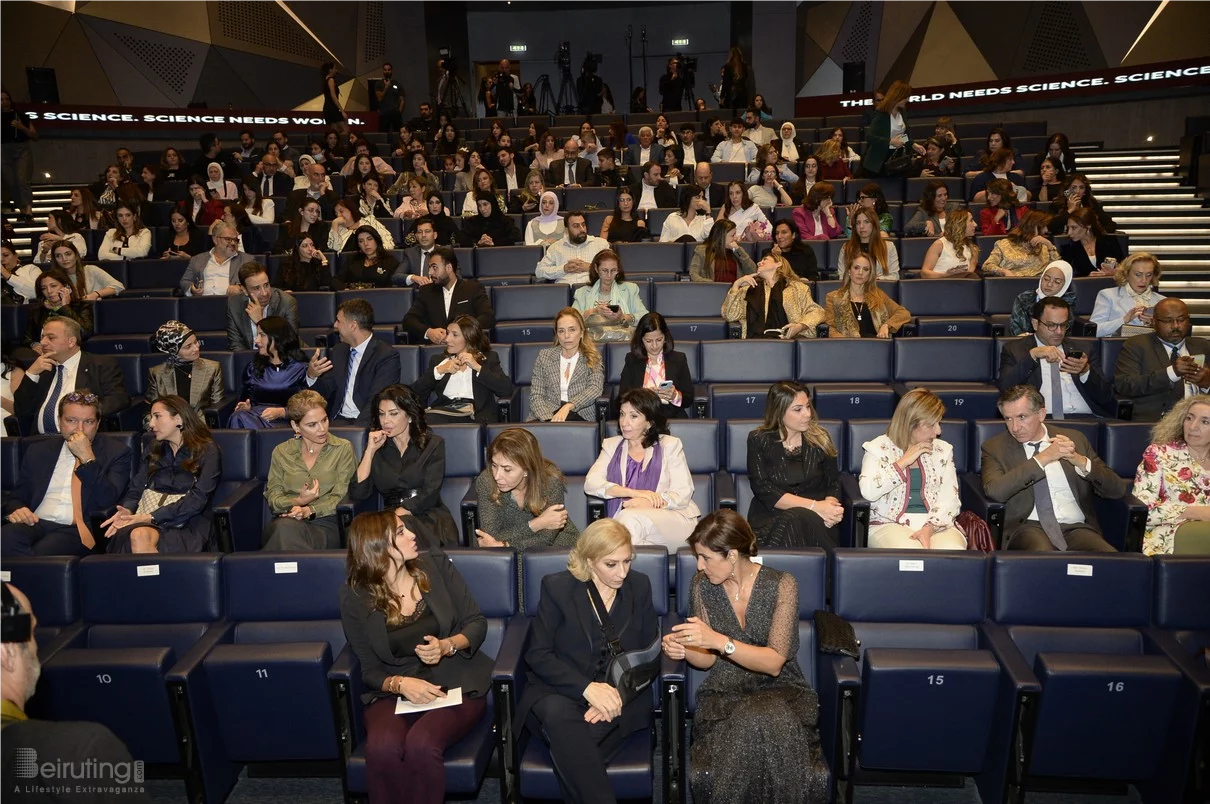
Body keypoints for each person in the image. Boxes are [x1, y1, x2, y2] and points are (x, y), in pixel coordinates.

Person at [664, 509, 829, 804]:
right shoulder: (702, 587)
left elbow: (774, 663)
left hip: (782, 691)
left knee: (763, 716)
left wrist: (719, 641)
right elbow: (707, 660)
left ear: (732, 554)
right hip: (725, 694)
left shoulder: (782, 584)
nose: (700, 566)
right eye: (698, 557)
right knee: (756, 719)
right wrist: (685, 647)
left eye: (706, 558)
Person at [338, 510, 492, 804]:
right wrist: (400, 684)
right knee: (381, 747)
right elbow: (369, 670)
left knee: (422, 744)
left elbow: (476, 622)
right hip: (395, 691)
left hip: (455, 679)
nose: (411, 535)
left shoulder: (433, 564)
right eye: (400, 533)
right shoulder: (353, 596)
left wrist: (447, 645)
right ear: (377, 546)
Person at [515, 517, 656, 802]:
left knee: (571, 748)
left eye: (627, 561)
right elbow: (538, 654)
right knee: (561, 720)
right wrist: (587, 688)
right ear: (590, 561)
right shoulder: (557, 588)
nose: (622, 573)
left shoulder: (639, 586)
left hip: (619, 696)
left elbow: (649, 655)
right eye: (611, 564)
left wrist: (616, 696)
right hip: (560, 691)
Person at [982, 385, 1128, 551]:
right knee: (1045, 560)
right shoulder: (995, 447)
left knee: (1110, 561)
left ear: (1041, 414)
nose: (1015, 427)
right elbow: (995, 491)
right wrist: (1043, 458)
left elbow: (1117, 489)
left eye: (1022, 417)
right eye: (1008, 419)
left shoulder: (1075, 439)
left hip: (1076, 527)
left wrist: (1080, 461)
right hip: (1028, 527)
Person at [0, 392, 131, 557]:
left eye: (88, 422)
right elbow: (17, 497)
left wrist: (87, 459)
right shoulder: (38, 451)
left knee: (41, 553)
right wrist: (19, 510)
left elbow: (107, 499)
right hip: (35, 522)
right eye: (71, 420)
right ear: (59, 422)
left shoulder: (117, 452)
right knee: (6, 537)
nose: (80, 429)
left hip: (77, 528)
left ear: (97, 425)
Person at [102, 396, 220, 554]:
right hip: (148, 518)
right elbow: (136, 488)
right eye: (151, 418)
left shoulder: (208, 450)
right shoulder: (153, 448)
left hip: (188, 522)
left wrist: (151, 517)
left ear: (178, 419)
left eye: (157, 416)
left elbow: (198, 500)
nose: (151, 424)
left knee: (139, 535)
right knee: (135, 535)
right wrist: (128, 511)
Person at [585, 387, 700, 548]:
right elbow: (591, 483)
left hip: (671, 520)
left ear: (649, 422)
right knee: (628, 527)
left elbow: (683, 493)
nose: (624, 422)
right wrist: (635, 493)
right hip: (627, 523)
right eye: (622, 414)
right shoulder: (611, 446)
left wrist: (649, 502)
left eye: (633, 416)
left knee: (626, 523)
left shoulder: (670, 445)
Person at [858, 389, 967, 550]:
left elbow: (950, 498)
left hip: (936, 524)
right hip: (888, 523)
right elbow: (868, 491)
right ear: (910, 424)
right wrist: (902, 463)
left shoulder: (943, 450)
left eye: (939, 422)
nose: (938, 431)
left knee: (953, 551)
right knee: (911, 556)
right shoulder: (878, 448)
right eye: (931, 424)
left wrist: (929, 529)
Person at [350, 385, 459, 545]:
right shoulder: (379, 447)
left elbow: (430, 492)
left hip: (427, 517)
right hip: (391, 517)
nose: (386, 421)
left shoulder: (432, 444)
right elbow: (358, 493)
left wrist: (399, 514)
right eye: (382, 414)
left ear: (409, 416)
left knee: (399, 531)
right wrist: (370, 451)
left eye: (393, 414)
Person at [746, 382, 842, 549]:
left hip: (818, 521)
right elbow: (763, 489)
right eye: (798, 409)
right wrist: (814, 506)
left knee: (799, 519)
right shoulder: (759, 439)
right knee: (795, 517)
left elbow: (833, 482)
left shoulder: (821, 438)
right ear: (779, 412)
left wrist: (830, 509)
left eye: (807, 406)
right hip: (770, 519)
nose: (807, 414)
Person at [261, 390, 356, 550]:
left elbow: (340, 496)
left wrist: (308, 510)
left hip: (326, 523)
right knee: (284, 529)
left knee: (284, 535)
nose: (322, 429)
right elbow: (273, 498)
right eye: (312, 425)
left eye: (324, 420)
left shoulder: (342, 448)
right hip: (287, 520)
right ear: (295, 426)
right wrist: (298, 501)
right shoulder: (281, 451)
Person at [998, 297, 1117, 419]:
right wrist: (1032, 356)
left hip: (1085, 418)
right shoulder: (1015, 349)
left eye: (1063, 325)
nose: (1059, 331)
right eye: (1051, 325)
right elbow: (1005, 390)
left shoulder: (1084, 349)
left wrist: (1086, 372)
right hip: (1041, 421)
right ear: (1035, 324)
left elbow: (1106, 396)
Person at [474, 427, 579, 555]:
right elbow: (492, 536)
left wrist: (505, 545)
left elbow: (546, 538)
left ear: (526, 470)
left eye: (507, 469)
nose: (497, 476)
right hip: (507, 549)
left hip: (554, 545)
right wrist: (537, 524)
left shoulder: (550, 482)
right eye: (494, 466)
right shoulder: (486, 480)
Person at [15, 317, 128, 436]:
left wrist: (84, 411)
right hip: (41, 443)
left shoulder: (100, 365)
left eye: (50, 337)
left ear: (71, 342)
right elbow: (21, 410)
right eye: (42, 337)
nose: (43, 342)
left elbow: (119, 399)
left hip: (83, 439)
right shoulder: (42, 368)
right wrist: (31, 374)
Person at [1133, 396, 1210, 555]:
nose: (1193, 427)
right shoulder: (1159, 454)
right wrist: (1195, 512)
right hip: (1169, 536)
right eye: (1189, 418)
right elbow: (1140, 513)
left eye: (1205, 422)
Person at [305, 299, 399, 426]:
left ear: (353, 325)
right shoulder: (339, 350)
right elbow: (327, 391)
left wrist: (356, 432)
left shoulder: (386, 355)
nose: (335, 326)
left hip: (367, 423)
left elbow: (377, 401)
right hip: (336, 420)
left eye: (339, 321)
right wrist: (312, 376)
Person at [1113, 298, 1210, 423]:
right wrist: (1171, 373)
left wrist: (1206, 383)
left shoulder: (1202, 345)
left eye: (1181, 320)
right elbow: (1125, 385)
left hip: (1201, 422)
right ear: (1154, 322)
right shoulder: (1136, 345)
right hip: (1156, 422)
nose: (1175, 326)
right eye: (1167, 321)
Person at [412, 315, 513, 423]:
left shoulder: (488, 358)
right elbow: (414, 395)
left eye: (454, 335)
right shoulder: (438, 360)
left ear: (469, 338)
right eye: (448, 333)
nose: (447, 339)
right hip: (444, 414)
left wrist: (477, 367)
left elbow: (506, 389)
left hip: (476, 416)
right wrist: (438, 371)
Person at [228, 315, 309, 429]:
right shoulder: (253, 368)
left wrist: (283, 412)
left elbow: (309, 405)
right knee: (238, 416)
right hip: (255, 418)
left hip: (286, 421)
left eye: (262, 335)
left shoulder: (300, 369)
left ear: (276, 338)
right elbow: (245, 398)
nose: (256, 341)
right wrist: (247, 407)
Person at [401, 246, 494, 344]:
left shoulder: (472, 288)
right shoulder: (426, 291)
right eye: (429, 268)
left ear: (449, 268)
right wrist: (428, 332)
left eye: (434, 268)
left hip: (466, 348)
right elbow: (409, 320)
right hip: (435, 350)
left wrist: (462, 331)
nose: (430, 272)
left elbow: (487, 317)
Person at [723, 253, 824, 340]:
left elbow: (817, 312)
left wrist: (800, 326)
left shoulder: (797, 288)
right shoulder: (748, 289)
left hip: (786, 342)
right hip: (754, 342)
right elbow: (730, 315)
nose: (759, 262)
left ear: (778, 264)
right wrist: (736, 284)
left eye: (765, 259)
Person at [529, 307, 605, 423]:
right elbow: (536, 395)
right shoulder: (544, 356)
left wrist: (569, 406)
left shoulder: (593, 356)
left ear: (581, 333)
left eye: (572, 330)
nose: (566, 336)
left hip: (579, 414)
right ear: (557, 334)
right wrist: (548, 420)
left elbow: (595, 388)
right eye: (561, 331)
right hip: (546, 414)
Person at [619, 313, 694, 420]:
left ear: (665, 337)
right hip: (640, 417)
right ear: (641, 340)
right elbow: (622, 397)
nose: (654, 346)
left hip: (671, 416)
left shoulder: (679, 359)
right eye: (648, 341)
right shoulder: (632, 360)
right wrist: (644, 395)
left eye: (659, 340)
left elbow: (689, 399)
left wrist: (675, 396)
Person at [147, 321, 225, 415]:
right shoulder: (157, 373)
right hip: (170, 426)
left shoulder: (212, 368)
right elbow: (150, 410)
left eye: (196, 342)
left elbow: (217, 405)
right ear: (174, 351)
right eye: (188, 346)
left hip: (200, 425)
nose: (196, 348)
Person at [824, 254, 910, 339]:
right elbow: (830, 328)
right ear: (849, 271)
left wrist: (886, 325)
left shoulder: (878, 295)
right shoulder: (833, 297)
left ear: (870, 274)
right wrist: (847, 343)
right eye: (856, 268)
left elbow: (903, 313)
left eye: (865, 269)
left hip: (876, 345)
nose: (860, 272)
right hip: (848, 347)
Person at [572, 249, 648, 342]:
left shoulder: (630, 289)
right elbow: (571, 318)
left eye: (613, 270)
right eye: (604, 270)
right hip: (591, 343)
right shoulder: (582, 293)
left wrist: (623, 317)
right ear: (596, 269)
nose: (609, 275)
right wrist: (594, 311)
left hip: (622, 341)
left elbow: (644, 316)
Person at [227, 262, 300, 351]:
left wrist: (260, 321)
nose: (264, 293)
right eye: (256, 288)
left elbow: (289, 345)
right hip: (249, 360)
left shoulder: (287, 303)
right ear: (244, 290)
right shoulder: (234, 304)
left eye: (266, 285)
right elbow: (236, 346)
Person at [1090, 252, 1165, 337]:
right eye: (1138, 275)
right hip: (1119, 348)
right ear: (1126, 274)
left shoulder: (1162, 302)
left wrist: (1154, 324)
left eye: (1148, 275)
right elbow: (1094, 331)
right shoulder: (1108, 295)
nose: (1143, 280)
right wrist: (1124, 320)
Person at [864, 80, 925, 176]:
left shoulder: (903, 111)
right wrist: (890, 141)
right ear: (898, 96)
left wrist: (912, 144)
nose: (907, 100)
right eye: (906, 97)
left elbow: (901, 136)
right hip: (880, 163)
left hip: (897, 160)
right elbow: (870, 137)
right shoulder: (881, 114)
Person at [22, 270, 93, 350]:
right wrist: (34, 345)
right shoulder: (37, 311)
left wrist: (64, 308)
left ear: (67, 288)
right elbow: (27, 338)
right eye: (44, 288)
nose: (49, 291)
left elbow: (84, 333)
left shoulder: (82, 306)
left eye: (53, 286)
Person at [180, 222, 256, 296]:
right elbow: (185, 281)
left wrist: (240, 288)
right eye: (228, 239)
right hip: (202, 304)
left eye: (235, 240)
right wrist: (192, 289)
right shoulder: (197, 259)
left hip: (231, 305)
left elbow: (255, 284)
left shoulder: (247, 260)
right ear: (215, 240)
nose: (233, 243)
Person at [535, 211, 609, 286]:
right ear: (567, 230)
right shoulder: (555, 247)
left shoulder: (601, 244)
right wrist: (564, 269)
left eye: (583, 225)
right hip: (564, 294)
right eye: (576, 226)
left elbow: (613, 269)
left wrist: (591, 268)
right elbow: (539, 271)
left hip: (592, 292)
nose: (582, 229)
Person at [980, 211, 1059, 278]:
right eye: (1044, 226)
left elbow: (1059, 269)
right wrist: (1003, 271)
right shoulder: (1004, 244)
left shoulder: (1046, 246)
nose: (1046, 230)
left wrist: (1050, 246)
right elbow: (987, 265)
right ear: (1034, 226)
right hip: (1012, 284)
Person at [1009, 260, 1076, 336]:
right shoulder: (1024, 298)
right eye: (1046, 279)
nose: (1049, 284)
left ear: (1065, 285)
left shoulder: (1068, 302)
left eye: (1057, 282)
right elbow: (1017, 330)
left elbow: (1063, 332)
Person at [0, 90, 37, 218]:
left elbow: (34, 135)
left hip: (21, 149)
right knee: (11, 181)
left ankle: (28, 209)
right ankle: (21, 208)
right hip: (3, 151)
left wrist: (21, 127)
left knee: (22, 179)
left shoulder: (20, 116)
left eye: (7, 99)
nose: (5, 102)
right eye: (1, 100)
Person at [838, 207, 901, 281]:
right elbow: (842, 277)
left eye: (866, 222)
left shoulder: (889, 247)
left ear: (874, 224)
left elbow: (895, 276)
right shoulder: (846, 248)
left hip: (879, 289)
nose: (861, 226)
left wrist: (873, 280)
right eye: (858, 223)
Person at [1059, 207, 1124, 278]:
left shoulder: (1109, 242)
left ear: (1088, 226)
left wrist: (1114, 273)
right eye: (1068, 228)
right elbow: (1066, 275)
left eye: (1074, 228)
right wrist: (1087, 278)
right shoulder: (1067, 247)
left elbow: (1124, 268)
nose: (1069, 233)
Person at [48, 239, 124, 300]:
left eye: (68, 254)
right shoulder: (54, 278)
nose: (64, 259)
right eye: (58, 256)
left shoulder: (91, 270)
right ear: (55, 259)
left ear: (76, 255)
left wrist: (95, 294)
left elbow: (118, 286)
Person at [333, 225, 402, 290]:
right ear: (358, 245)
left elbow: (393, 286)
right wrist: (345, 289)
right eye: (361, 241)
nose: (366, 244)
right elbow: (336, 281)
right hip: (354, 299)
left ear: (376, 240)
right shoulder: (352, 259)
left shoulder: (390, 261)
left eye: (369, 239)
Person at [1048, 173, 1116, 236]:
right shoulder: (1057, 205)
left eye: (1081, 188)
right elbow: (1050, 227)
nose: (1077, 191)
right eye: (1074, 187)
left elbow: (1111, 225)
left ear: (1085, 191)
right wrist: (1069, 210)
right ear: (1067, 190)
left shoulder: (1092, 204)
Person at [690, 219, 756, 283]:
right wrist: (713, 285)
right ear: (721, 236)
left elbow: (753, 272)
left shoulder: (737, 251)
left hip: (735, 291)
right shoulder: (702, 251)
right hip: (712, 291)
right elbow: (693, 275)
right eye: (732, 235)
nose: (735, 238)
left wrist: (738, 251)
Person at [919, 209, 978, 280]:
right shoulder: (939, 245)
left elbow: (969, 277)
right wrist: (946, 275)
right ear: (960, 224)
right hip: (939, 286)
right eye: (971, 220)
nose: (975, 224)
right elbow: (924, 273)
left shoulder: (973, 249)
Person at [329, 197, 396, 252]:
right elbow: (335, 249)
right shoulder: (338, 229)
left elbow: (389, 243)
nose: (338, 216)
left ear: (351, 210)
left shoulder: (370, 221)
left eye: (341, 211)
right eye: (336, 213)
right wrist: (335, 224)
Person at [720, 47, 751, 112]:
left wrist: (722, 96)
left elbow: (725, 82)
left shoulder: (728, 66)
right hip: (743, 93)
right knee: (742, 113)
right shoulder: (744, 66)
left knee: (731, 114)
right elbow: (747, 80)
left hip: (731, 93)